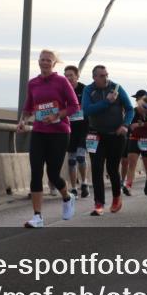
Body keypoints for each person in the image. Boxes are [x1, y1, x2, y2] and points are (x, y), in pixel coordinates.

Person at [16, 50, 80, 228]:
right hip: (39, 132)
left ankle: (67, 197)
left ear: (54, 64)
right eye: (42, 59)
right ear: (38, 62)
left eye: (48, 60)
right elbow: (28, 108)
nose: (45, 63)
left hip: (59, 132)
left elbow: (75, 106)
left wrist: (56, 116)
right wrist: (23, 122)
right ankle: (37, 216)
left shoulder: (61, 81)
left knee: (53, 174)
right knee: (36, 171)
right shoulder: (33, 83)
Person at [81, 65, 134, 216]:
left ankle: (117, 197)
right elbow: (87, 110)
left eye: (106, 75)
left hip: (115, 135)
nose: (105, 78)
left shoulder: (116, 88)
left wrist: (125, 125)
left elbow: (130, 109)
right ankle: (99, 204)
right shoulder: (88, 90)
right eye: (102, 76)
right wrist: (107, 101)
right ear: (94, 77)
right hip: (95, 134)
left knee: (112, 168)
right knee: (97, 168)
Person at [63, 65, 89, 198]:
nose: (68, 78)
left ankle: (84, 183)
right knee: (71, 160)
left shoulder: (85, 90)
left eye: (71, 75)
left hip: (84, 128)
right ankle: (73, 188)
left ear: (77, 76)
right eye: (66, 75)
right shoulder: (63, 91)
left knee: (80, 156)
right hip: (69, 129)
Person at [125, 90, 147, 196]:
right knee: (132, 162)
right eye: (136, 99)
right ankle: (128, 185)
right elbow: (130, 124)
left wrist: (140, 125)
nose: (137, 101)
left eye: (139, 98)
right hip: (134, 138)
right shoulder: (134, 111)